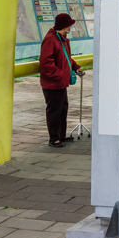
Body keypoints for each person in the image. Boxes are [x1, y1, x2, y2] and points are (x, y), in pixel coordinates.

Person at [39, 13, 85, 147]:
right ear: (64, 26)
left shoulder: (63, 39)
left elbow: (67, 58)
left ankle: (61, 135)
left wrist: (75, 68)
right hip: (53, 83)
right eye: (69, 25)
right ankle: (54, 139)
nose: (70, 27)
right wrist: (60, 74)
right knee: (54, 110)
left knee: (63, 108)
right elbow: (46, 62)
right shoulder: (50, 39)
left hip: (60, 83)